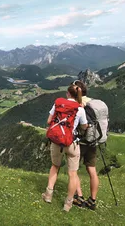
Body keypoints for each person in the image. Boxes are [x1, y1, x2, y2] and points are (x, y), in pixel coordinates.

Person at [42, 84, 88, 212]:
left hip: (57, 142)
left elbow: (48, 121)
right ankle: (68, 204)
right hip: (72, 144)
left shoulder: (58, 104)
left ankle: (48, 195)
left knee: (55, 166)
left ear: (67, 93)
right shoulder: (80, 109)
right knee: (72, 174)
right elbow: (84, 126)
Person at [72, 80, 99, 210]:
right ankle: (92, 200)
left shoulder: (79, 103)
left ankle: (79, 197)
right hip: (93, 140)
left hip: (81, 141)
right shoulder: (93, 102)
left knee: (74, 169)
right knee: (92, 170)